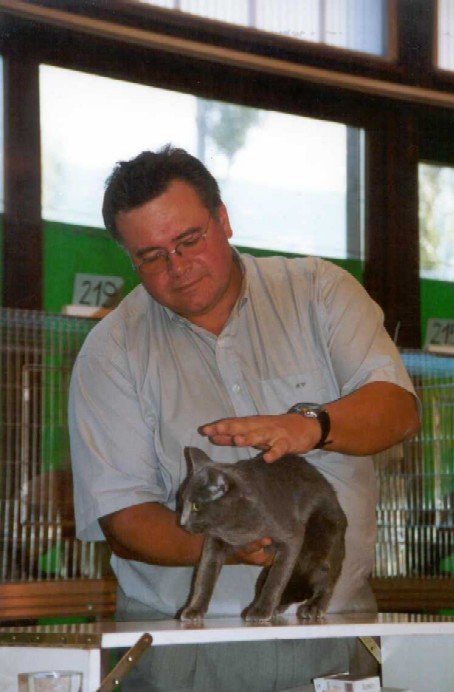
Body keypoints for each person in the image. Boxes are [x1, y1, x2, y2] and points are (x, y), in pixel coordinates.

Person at [68, 145, 420, 691]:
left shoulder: (318, 291)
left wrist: (310, 426)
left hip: (335, 632)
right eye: (152, 256)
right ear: (130, 260)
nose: (177, 267)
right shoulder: (112, 350)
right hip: (184, 652)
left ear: (224, 219)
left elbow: (397, 409)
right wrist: (233, 543)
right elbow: (123, 519)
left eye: (190, 240)